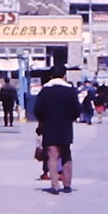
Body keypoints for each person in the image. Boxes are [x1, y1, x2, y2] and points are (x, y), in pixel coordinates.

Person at [34, 64, 81, 194]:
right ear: (64, 75)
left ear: (50, 76)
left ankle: (55, 186)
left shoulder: (45, 91)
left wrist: (44, 120)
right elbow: (77, 110)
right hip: (65, 128)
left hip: (49, 127)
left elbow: (37, 110)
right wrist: (68, 118)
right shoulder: (70, 91)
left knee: (52, 156)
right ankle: (67, 184)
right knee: (66, 155)